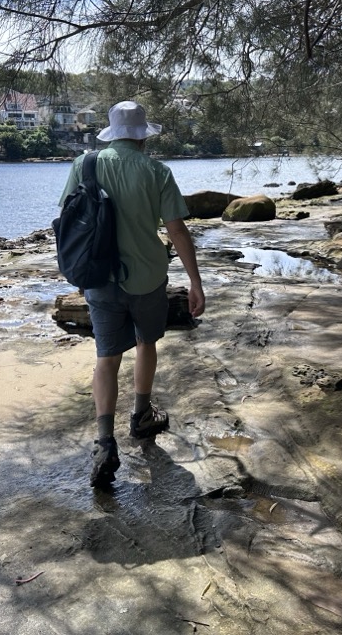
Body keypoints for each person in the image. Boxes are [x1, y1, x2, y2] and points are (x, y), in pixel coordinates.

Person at [58, 100, 205, 487]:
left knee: (106, 358)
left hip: (99, 278)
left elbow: (66, 222)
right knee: (146, 343)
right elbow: (177, 231)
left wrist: (76, 273)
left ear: (111, 132)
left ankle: (105, 442)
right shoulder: (156, 171)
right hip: (147, 277)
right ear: (142, 136)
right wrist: (195, 281)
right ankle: (141, 416)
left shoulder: (84, 165)